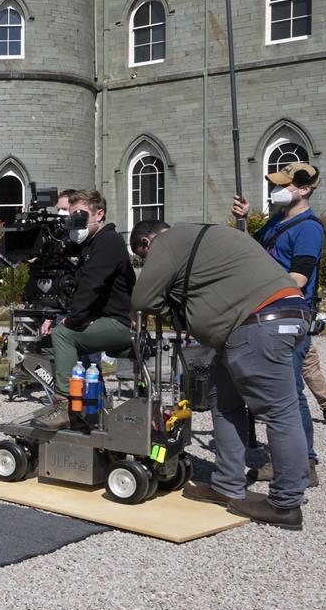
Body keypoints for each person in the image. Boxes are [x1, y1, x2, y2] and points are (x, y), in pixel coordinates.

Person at [131, 219, 310, 530]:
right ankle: (227, 483)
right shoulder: (205, 236)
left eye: (143, 257)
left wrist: (170, 309)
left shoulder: (167, 242)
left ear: (147, 242)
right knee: (223, 400)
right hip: (268, 317)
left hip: (258, 322)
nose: (148, 262)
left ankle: (286, 503)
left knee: (279, 412)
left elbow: (143, 300)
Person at [231, 162, 326, 486]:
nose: (276, 190)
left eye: (284, 184)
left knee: (287, 394)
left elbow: (299, 278)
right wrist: (243, 220)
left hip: (289, 317)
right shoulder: (278, 220)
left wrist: (259, 287)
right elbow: (252, 252)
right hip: (268, 314)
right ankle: (301, 460)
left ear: (304, 188)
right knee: (290, 391)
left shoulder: (309, 229)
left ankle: (300, 463)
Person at [34, 190, 134, 430]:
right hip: (101, 319)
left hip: (118, 324)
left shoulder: (108, 242)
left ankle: (66, 406)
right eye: (71, 216)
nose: (74, 223)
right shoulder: (91, 244)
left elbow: (91, 285)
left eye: (80, 216)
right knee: (45, 345)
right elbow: (69, 286)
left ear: (99, 214)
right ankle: (89, 407)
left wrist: (73, 320)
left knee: (62, 335)